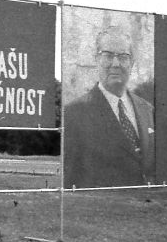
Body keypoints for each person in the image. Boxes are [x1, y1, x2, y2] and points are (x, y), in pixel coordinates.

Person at [63, 27, 155, 188]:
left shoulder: (147, 110)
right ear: (96, 60)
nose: (115, 64)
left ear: (132, 63)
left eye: (123, 57)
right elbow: (71, 179)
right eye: (108, 55)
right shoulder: (74, 113)